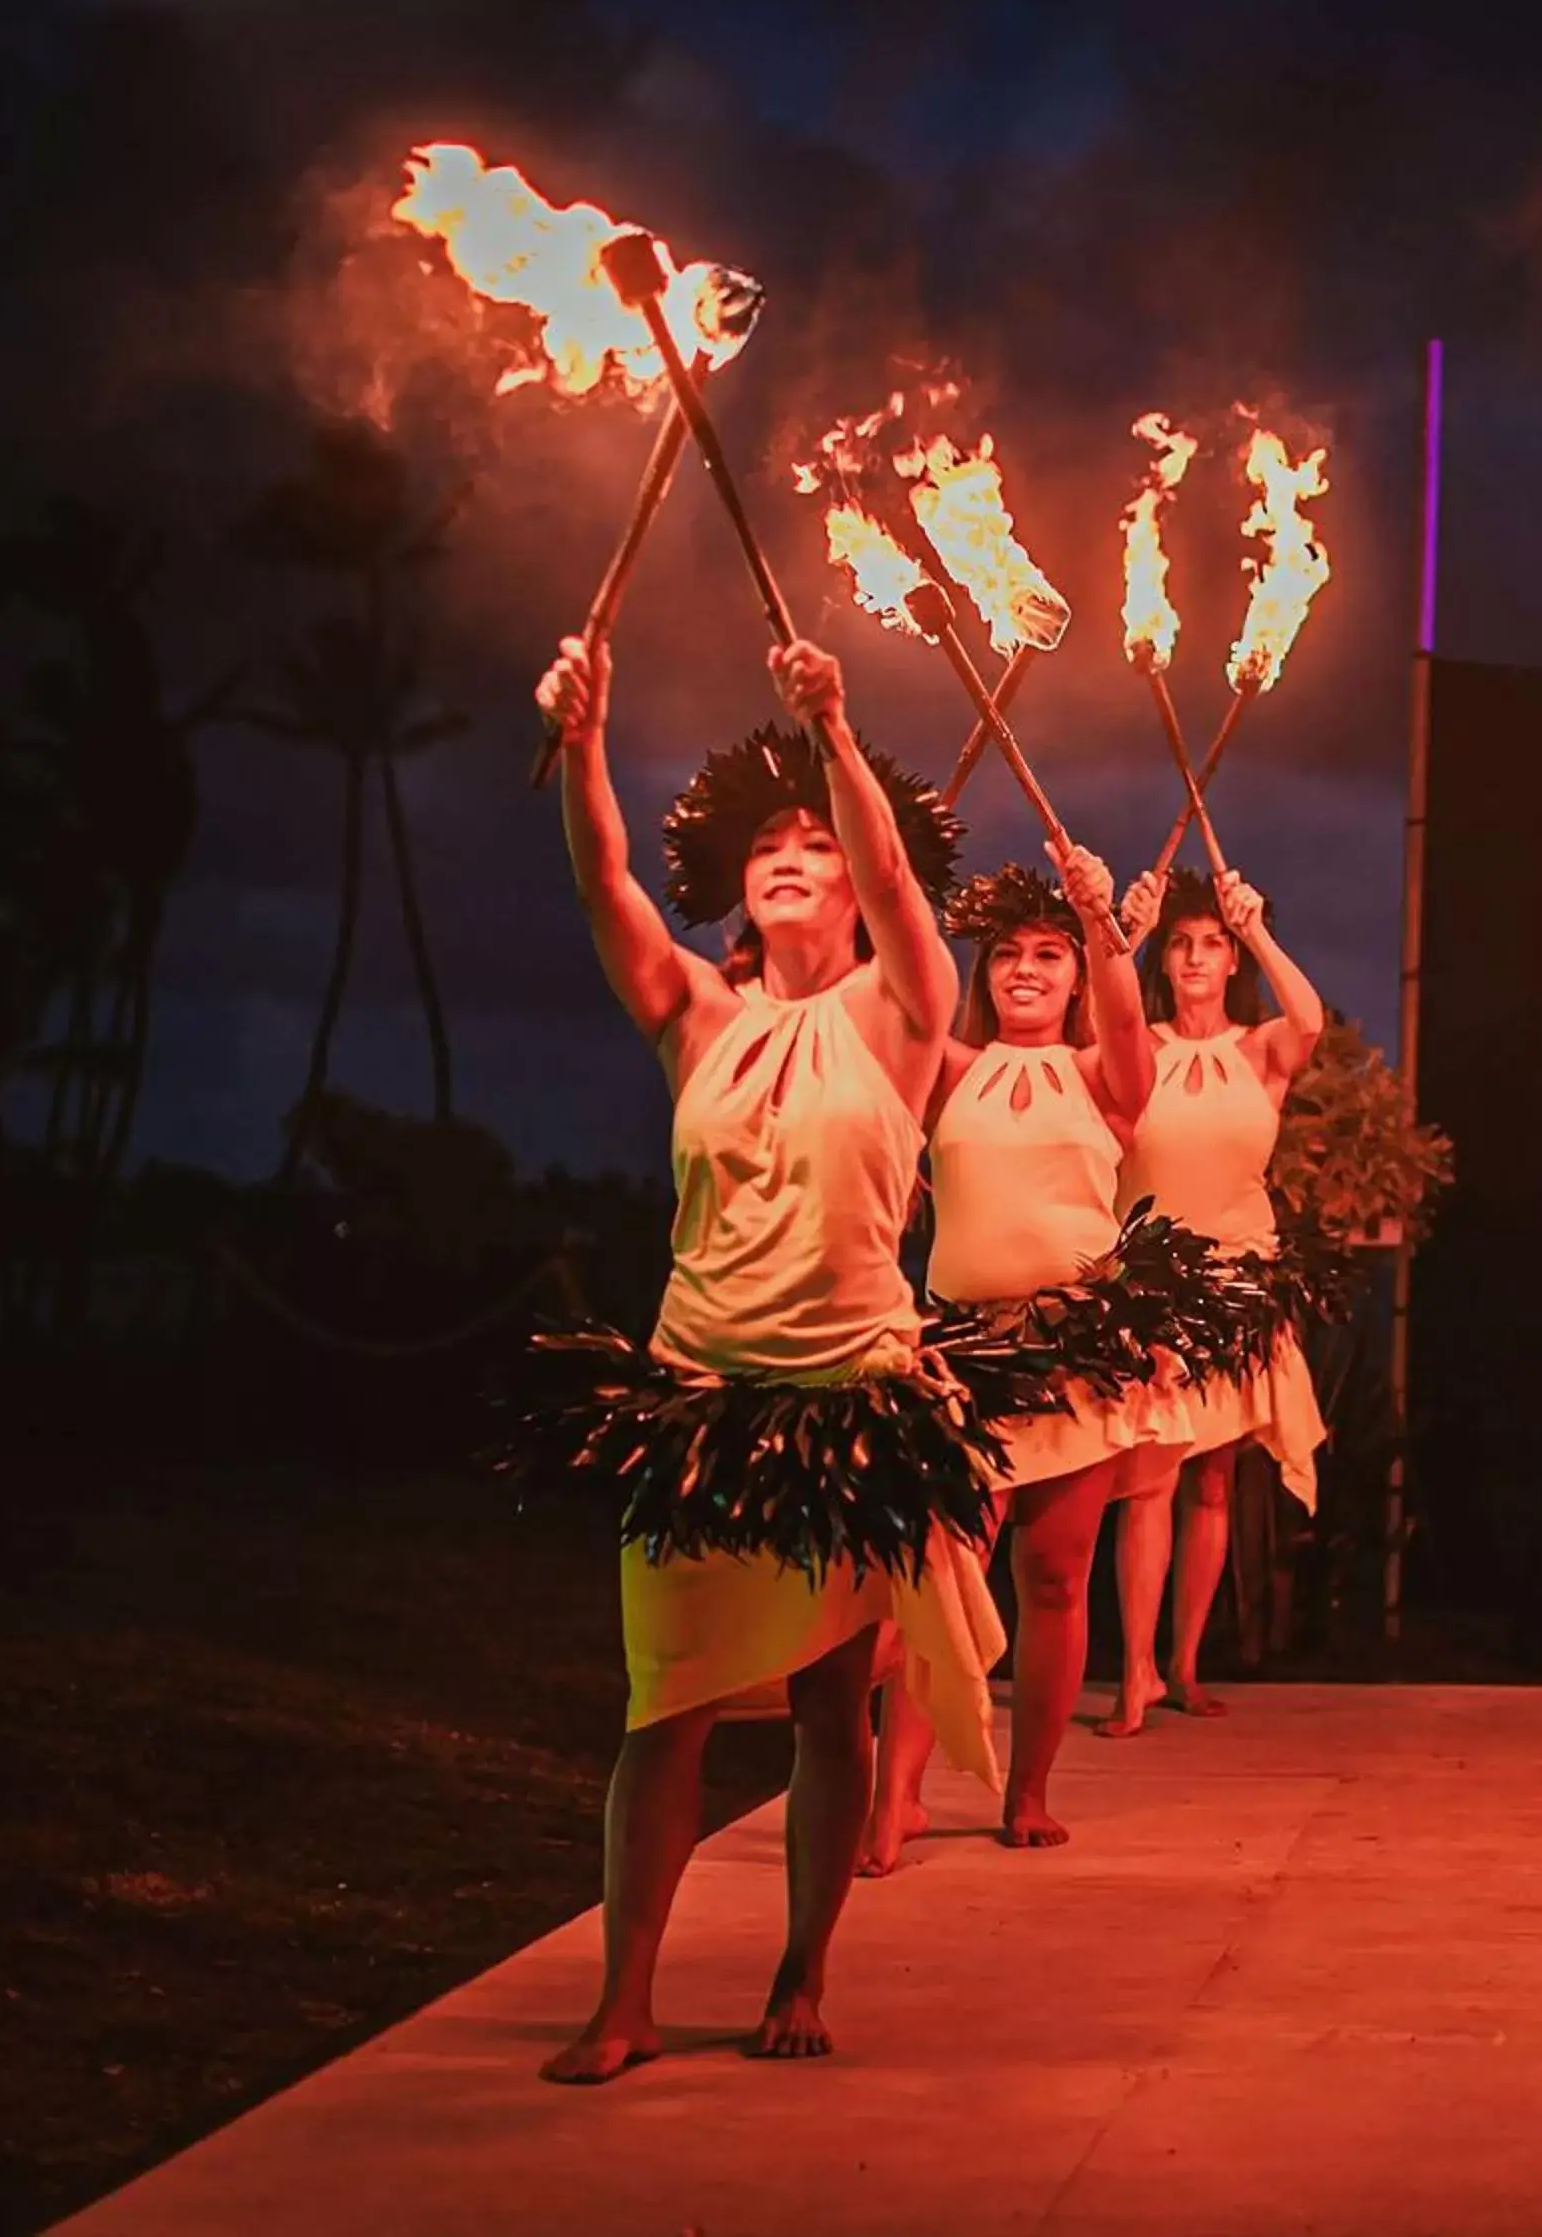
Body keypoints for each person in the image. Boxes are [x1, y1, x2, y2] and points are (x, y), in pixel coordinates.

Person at [521, 630, 1003, 2083]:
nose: (790, 855)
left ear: (854, 876)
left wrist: (835, 730)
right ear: (739, 885)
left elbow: (911, 888)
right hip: (698, 1398)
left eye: (816, 841)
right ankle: (627, 1995)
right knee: (659, 1707)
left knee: (824, 1700)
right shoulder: (698, 1013)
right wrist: (588, 740)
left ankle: (801, 1970)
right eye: (768, 844)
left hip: (847, 1402)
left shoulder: (905, 1007)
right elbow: (604, 881)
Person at [856, 854, 1187, 1870]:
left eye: (1049, 956)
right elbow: (895, 1003)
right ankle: (896, 1794)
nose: (1027, 970)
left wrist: (1102, 925)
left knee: (1053, 1572)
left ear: (1078, 976)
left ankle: (1028, 1788)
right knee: (942, 1574)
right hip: (962, 1349)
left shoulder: (1102, 1076)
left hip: (1073, 1350)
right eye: (1008, 954)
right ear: (985, 971)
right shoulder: (948, 1068)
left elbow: (1130, 1031)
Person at [1101, 865, 1327, 1733]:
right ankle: (1135, 1674)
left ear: (1231, 961)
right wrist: (1125, 934)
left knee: (1216, 1484)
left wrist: (1257, 925)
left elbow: (1308, 1018)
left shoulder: (1261, 1049)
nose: (1196, 959)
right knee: (1149, 1480)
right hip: (1151, 1288)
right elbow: (1100, 1013)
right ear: (1167, 957)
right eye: (1183, 945)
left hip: (1240, 1282)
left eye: (1213, 946)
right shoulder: (1132, 1045)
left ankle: (1188, 1666)